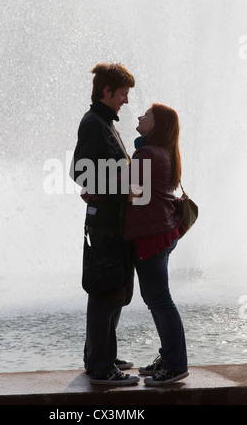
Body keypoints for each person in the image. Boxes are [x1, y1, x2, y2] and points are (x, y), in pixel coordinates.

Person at [70, 63, 140, 386]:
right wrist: (124, 193)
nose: (126, 100)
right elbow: (81, 174)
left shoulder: (105, 123)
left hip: (114, 221)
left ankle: (103, 355)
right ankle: (100, 367)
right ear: (107, 91)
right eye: (123, 94)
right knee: (105, 290)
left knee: (115, 290)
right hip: (105, 225)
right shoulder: (93, 123)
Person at [124, 103, 189, 386]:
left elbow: (130, 190)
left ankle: (175, 366)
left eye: (146, 115)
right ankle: (169, 356)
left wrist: (94, 189)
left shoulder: (148, 153)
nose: (140, 116)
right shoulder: (160, 152)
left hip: (151, 236)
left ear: (157, 125)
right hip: (161, 233)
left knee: (160, 301)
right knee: (156, 300)